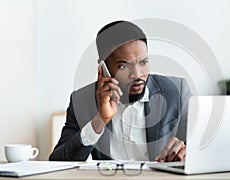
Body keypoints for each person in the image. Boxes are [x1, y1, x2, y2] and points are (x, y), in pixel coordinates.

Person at [49, 20, 193, 162]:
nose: (137, 74)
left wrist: (185, 154)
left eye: (143, 62)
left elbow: (202, 149)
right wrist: (100, 121)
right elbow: (58, 162)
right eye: (124, 66)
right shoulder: (82, 101)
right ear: (103, 67)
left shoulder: (176, 91)